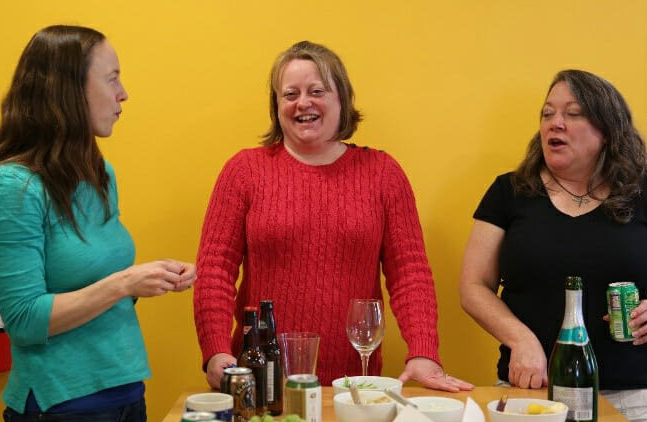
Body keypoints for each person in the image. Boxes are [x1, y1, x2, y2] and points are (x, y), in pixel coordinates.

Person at [0, 25, 196, 422]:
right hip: (59, 416)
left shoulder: (98, 172)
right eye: (111, 78)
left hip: (126, 398)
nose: (123, 93)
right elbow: (25, 319)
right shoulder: (12, 189)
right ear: (69, 90)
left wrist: (150, 280)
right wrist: (126, 283)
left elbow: (97, 284)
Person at [194, 40, 473, 393]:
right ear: (276, 106)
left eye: (317, 91)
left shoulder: (383, 173)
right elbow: (215, 270)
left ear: (342, 100)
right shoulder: (244, 171)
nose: (303, 103)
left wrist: (423, 351)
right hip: (260, 381)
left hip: (354, 384)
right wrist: (216, 350)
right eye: (289, 94)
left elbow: (409, 272)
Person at [459, 69, 647, 422]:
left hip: (627, 397)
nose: (555, 123)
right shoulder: (508, 192)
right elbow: (474, 286)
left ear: (606, 129)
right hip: (531, 391)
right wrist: (520, 339)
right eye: (547, 114)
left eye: (573, 114)